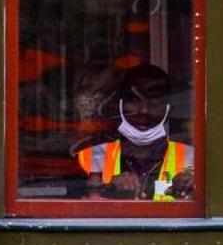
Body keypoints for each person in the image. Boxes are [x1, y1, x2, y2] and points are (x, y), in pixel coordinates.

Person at [76, 63, 194, 201]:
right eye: (134, 101)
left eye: (155, 102)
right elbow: (74, 203)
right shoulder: (90, 156)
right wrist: (109, 190)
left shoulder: (193, 158)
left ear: (169, 108)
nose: (144, 110)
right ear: (118, 105)